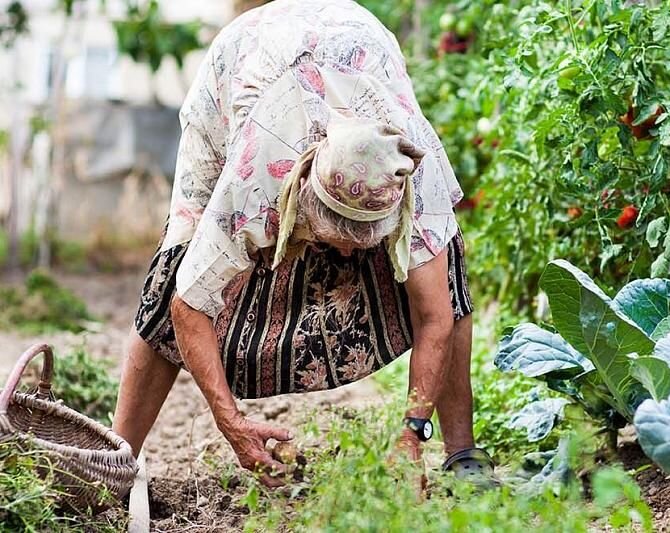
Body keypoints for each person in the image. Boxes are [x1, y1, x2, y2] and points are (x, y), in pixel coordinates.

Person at [112, 0, 494, 488]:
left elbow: (435, 316)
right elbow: (189, 304)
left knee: (447, 278)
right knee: (176, 267)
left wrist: (411, 435)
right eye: (338, 241)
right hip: (243, 66)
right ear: (300, 199)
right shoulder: (255, 177)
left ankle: (462, 453)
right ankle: (118, 457)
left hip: (357, 45)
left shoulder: (416, 177)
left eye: (364, 245)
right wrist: (230, 422)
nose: (351, 258)